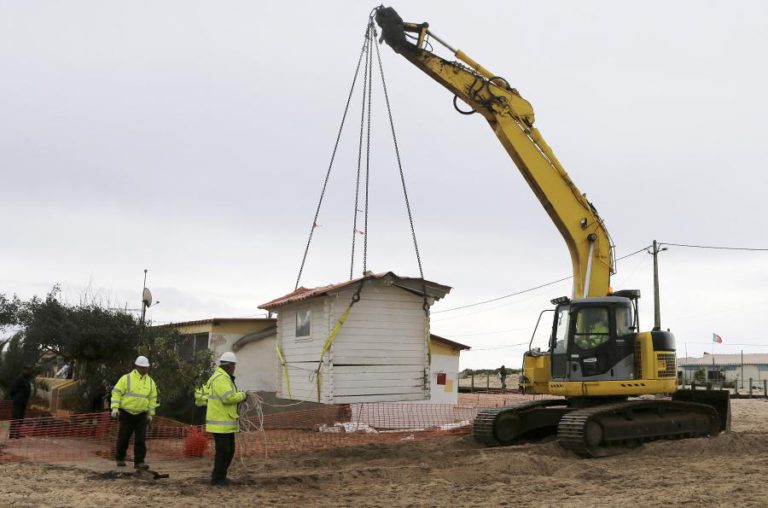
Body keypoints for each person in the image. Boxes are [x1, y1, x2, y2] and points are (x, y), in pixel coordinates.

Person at [205, 352, 246, 486]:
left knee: (229, 451)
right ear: (230, 365)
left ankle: (220, 476)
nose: (235, 368)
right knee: (224, 451)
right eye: (234, 365)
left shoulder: (224, 377)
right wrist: (242, 396)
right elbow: (227, 398)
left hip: (225, 422)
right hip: (220, 423)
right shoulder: (221, 378)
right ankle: (217, 478)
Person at [110, 355, 158, 469]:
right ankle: (120, 458)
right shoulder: (126, 379)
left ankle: (139, 462)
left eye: (145, 367)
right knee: (124, 437)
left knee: (140, 439)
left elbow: (152, 399)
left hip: (142, 414)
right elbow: (116, 392)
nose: (143, 369)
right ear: (137, 366)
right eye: (141, 367)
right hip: (126, 413)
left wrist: (150, 415)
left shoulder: (151, 382)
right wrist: (115, 408)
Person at [9, 365, 34, 439]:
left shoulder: (27, 379)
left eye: (29, 370)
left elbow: (27, 391)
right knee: (15, 418)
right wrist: (15, 398)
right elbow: (13, 390)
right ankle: (12, 434)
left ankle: (17, 433)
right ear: (24, 370)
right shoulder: (19, 379)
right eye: (27, 370)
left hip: (23, 402)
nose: (28, 372)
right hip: (17, 402)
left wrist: (27, 401)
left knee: (21, 418)